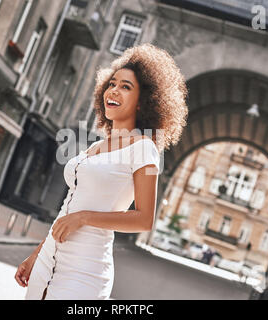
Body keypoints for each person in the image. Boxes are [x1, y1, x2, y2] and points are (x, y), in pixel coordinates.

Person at [15, 43, 189, 300]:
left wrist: (85, 217)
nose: (115, 90)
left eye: (126, 87)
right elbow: (68, 209)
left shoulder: (145, 149)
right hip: (47, 263)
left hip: (85, 272)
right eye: (112, 83)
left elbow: (144, 219)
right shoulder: (96, 146)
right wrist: (37, 254)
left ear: (143, 103)